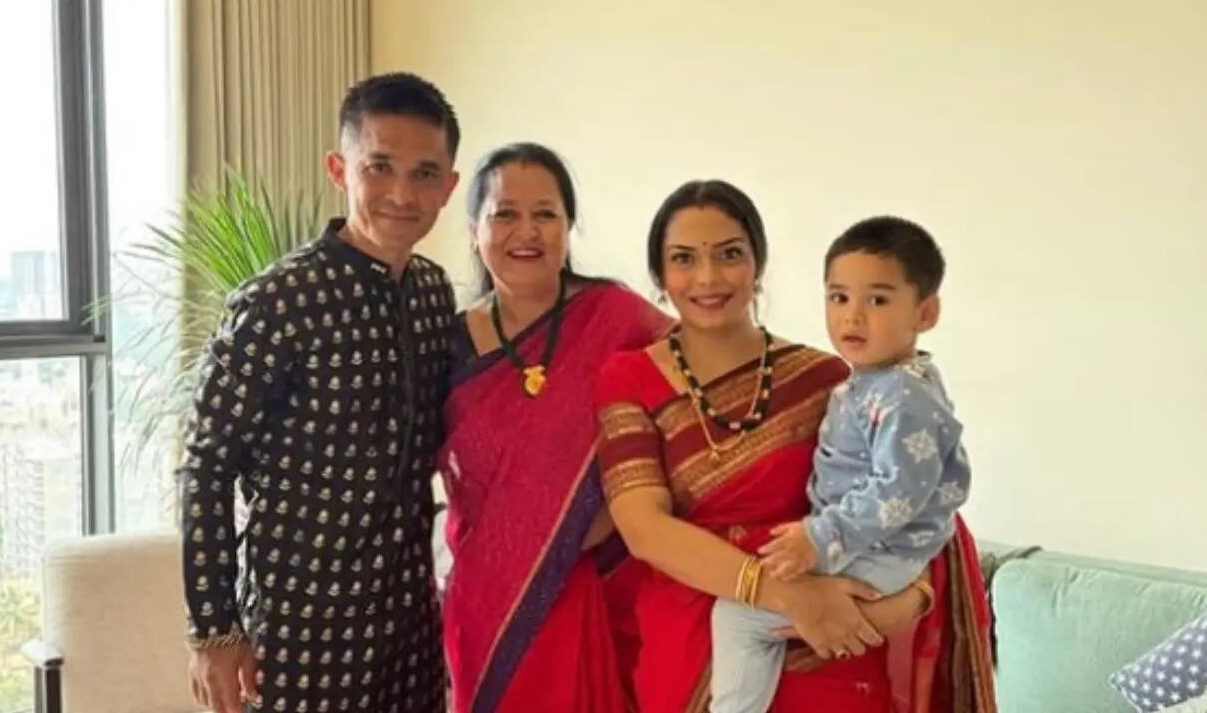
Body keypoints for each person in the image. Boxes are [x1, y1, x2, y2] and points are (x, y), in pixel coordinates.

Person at [596, 180, 996, 712]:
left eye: (730, 254)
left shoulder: (829, 379)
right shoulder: (631, 378)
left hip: (834, 643)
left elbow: (907, 496)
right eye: (684, 258)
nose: (708, 277)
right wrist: (784, 594)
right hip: (697, 640)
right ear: (660, 276)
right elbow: (644, 530)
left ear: (758, 263)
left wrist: (910, 599)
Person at [178, 72, 461, 713]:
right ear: (340, 169)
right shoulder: (276, 302)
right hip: (299, 634)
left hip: (411, 631)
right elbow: (206, 463)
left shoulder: (432, 293)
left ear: (448, 186)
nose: (401, 194)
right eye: (379, 167)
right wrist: (214, 630)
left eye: (423, 174)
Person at [438, 143, 669, 712]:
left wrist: (622, 508)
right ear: (473, 230)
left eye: (545, 214)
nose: (527, 232)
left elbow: (695, 389)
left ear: (568, 227)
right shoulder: (445, 345)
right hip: (487, 606)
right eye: (505, 214)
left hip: (600, 583)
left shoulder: (617, 317)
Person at [710, 215, 974, 713]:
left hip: (876, 551)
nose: (853, 317)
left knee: (737, 615)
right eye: (838, 297)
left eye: (877, 300)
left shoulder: (902, 395)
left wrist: (819, 536)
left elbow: (898, 492)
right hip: (874, 545)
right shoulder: (880, 381)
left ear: (926, 312)